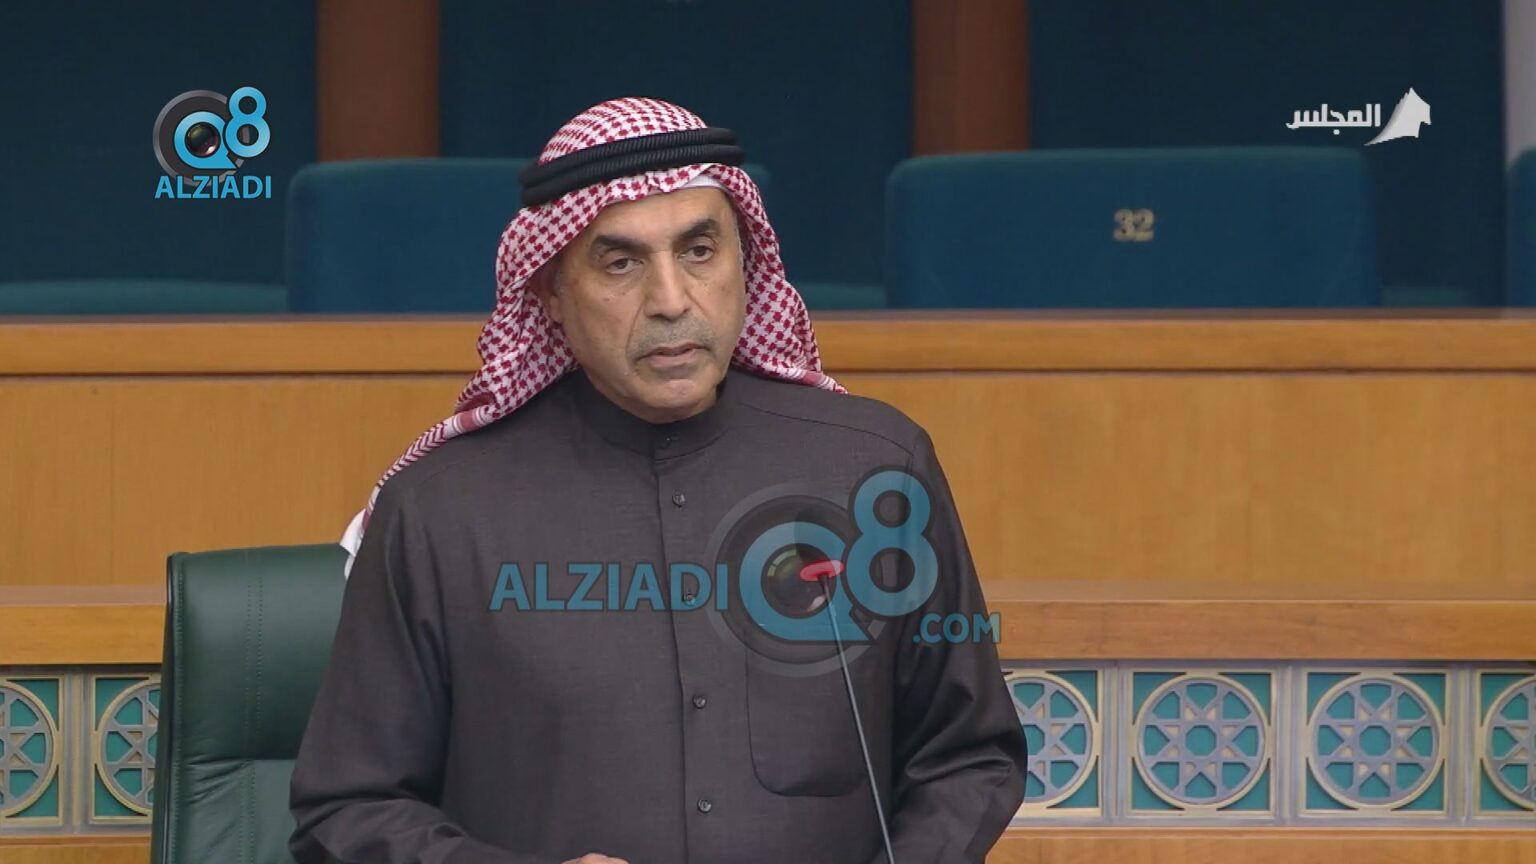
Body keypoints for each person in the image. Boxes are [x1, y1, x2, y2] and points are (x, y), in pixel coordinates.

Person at [288, 97, 1025, 864]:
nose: (671, 301)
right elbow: (346, 808)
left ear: (746, 263)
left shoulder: (875, 469)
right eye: (621, 263)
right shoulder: (442, 511)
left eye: (699, 251)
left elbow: (967, 756)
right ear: (550, 292)